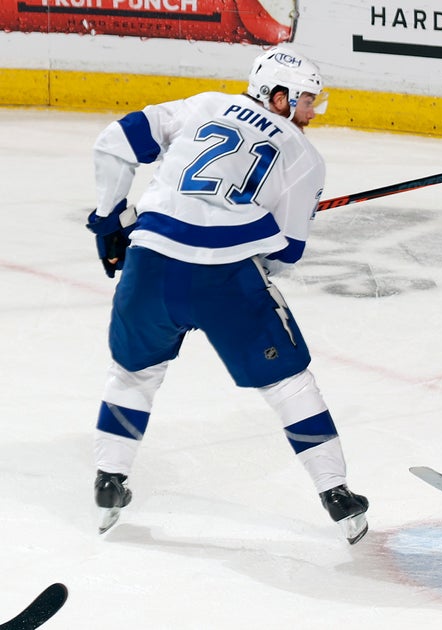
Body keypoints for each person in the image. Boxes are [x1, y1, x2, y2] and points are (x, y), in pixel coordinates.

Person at [85, 47, 369, 544]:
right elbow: (287, 254)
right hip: (226, 281)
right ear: (277, 96)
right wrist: (281, 230)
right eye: (304, 101)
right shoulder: (304, 157)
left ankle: (110, 480)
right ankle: (337, 493)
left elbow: (114, 143)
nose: (310, 112)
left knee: (134, 373)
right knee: (289, 384)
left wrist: (110, 220)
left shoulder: (203, 104)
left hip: (149, 262)